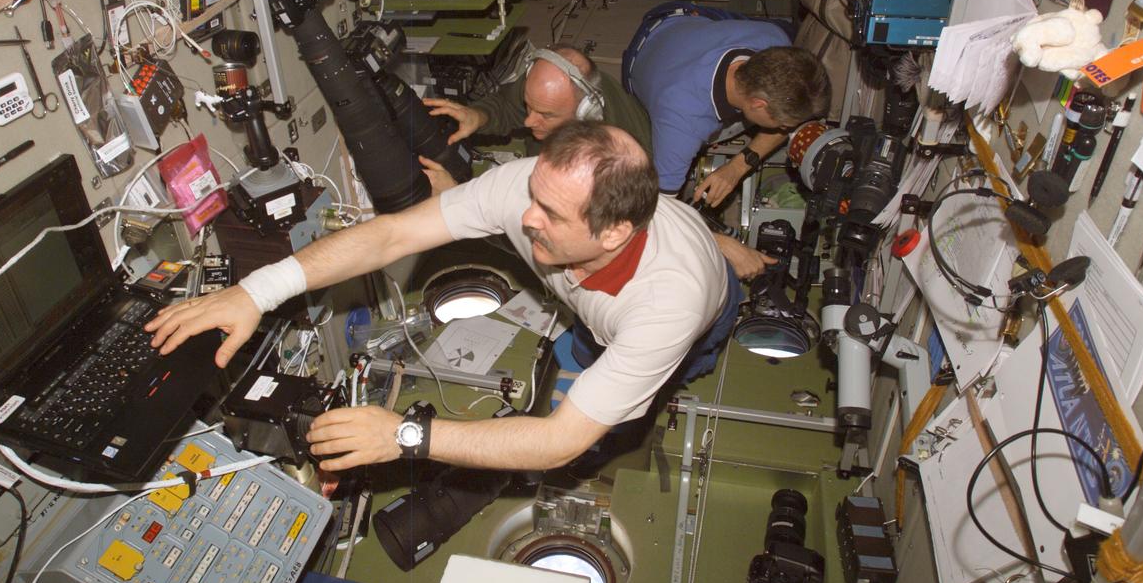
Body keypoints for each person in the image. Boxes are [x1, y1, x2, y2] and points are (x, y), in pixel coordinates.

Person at [146, 123, 738, 473]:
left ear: (611, 233)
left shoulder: (665, 311)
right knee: (585, 348)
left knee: (628, 396)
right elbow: (393, 234)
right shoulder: (527, 188)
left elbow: (560, 442)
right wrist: (257, 291)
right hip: (596, 305)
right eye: (533, 195)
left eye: (551, 215)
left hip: (700, 314)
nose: (525, 219)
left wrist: (403, 435)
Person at [622, 4, 832, 279]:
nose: (786, 131)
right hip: (642, 57)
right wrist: (724, 244)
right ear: (758, 104)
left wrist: (737, 167)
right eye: (783, 126)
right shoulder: (682, 122)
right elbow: (660, 216)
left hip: (686, 23)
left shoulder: (773, 41)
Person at [419, 45, 652, 193]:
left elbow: (528, 233)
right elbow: (507, 104)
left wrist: (454, 197)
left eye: (546, 115)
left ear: (585, 113)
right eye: (529, 106)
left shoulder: (608, 168)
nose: (529, 121)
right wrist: (479, 116)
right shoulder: (555, 90)